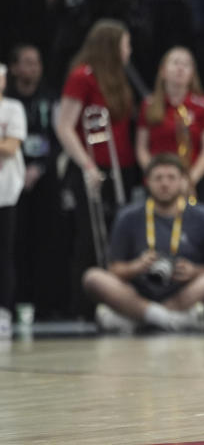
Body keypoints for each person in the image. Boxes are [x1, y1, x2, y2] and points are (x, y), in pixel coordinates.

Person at [82, 154, 204, 332]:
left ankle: (137, 319)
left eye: (171, 178)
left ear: (183, 181)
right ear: (147, 182)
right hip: (138, 292)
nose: (165, 184)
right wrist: (136, 267)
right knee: (93, 278)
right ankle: (170, 320)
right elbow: (114, 269)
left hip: (182, 293)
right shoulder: (128, 217)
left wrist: (194, 271)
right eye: (158, 178)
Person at [55, 19, 139, 317]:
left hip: (122, 167)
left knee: (119, 236)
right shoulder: (82, 76)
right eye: (126, 44)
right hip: (92, 166)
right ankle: (85, 305)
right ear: (112, 45)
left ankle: (118, 301)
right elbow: (64, 126)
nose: (129, 50)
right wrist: (87, 164)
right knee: (90, 238)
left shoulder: (118, 77)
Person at [6, 45, 64, 318]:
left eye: (36, 62)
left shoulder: (51, 98)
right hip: (11, 179)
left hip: (44, 179)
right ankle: (13, 302)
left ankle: (46, 304)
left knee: (47, 240)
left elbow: (58, 140)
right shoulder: (7, 100)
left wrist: (39, 168)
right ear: (14, 68)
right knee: (15, 242)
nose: (32, 68)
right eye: (26, 63)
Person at [135, 47, 204, 199]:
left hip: (193, 180)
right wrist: (157, 177)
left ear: (192, 73)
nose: (180, 68)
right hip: (157, 182)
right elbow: (141, 148)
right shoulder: (149, 105)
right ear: (163, 71)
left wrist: (190, 179)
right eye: (175, 63)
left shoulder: (203, 105)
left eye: (186, 64)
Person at [0, 63, 26, 339]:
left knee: (4, 253)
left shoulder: (12, 109)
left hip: (6, 192)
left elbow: (11, 146)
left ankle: (4, 311)